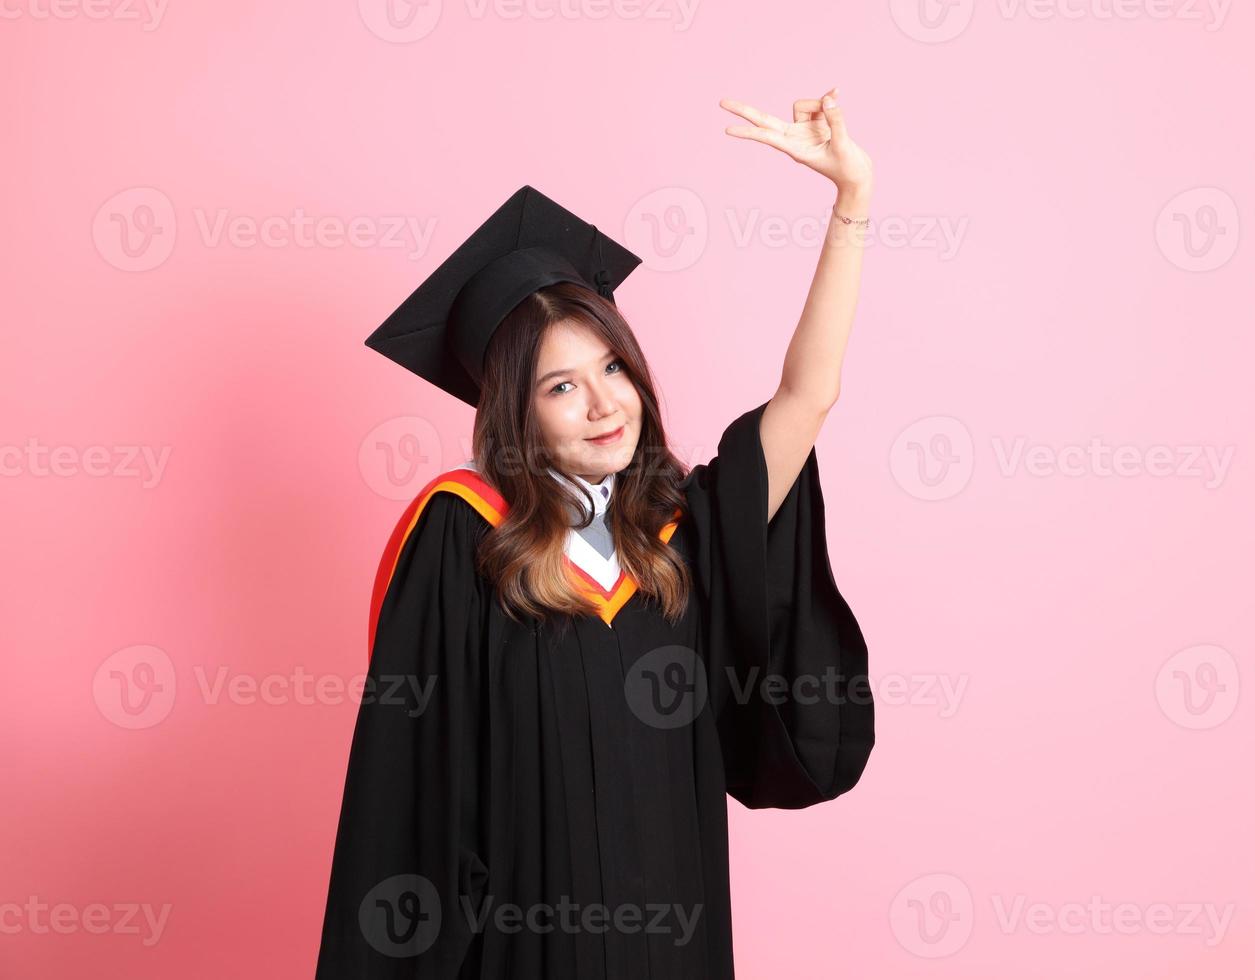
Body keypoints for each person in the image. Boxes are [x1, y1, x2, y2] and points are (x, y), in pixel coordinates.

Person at [315, 88, 875, 979]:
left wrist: (851, 203)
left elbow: (809, 396)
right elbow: (411, 793)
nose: (606, 401)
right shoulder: (460, 539)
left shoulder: (681, 533)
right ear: (515, 415)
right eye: (561, 385)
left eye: (612, 364)